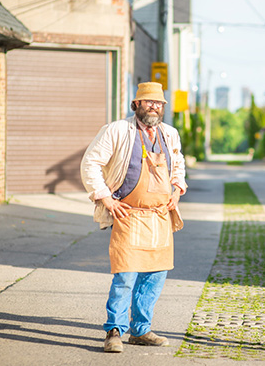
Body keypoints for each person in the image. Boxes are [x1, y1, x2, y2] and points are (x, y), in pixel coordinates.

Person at [80, 82, 187, 353]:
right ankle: (114, 330)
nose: (154, 106)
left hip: (161, 215)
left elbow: (179, 163)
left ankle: (141, 330)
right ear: (135, 105)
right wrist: (105, 197)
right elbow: (90, 163)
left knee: (155, 274)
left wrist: (177, 189)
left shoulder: (170, 134)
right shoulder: (117, 130)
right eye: (148, 102)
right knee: (125, 275)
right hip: (128, 215)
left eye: (159, 103)